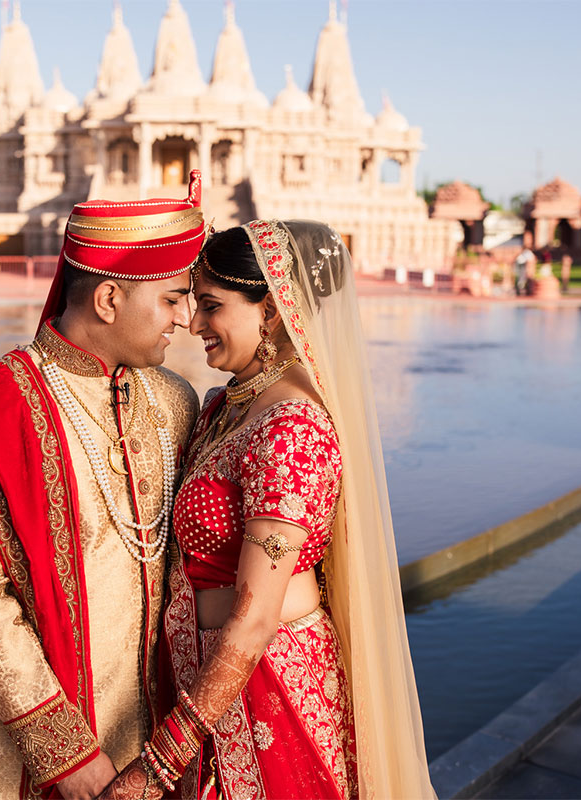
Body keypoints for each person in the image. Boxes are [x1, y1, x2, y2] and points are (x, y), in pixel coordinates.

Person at [98, 219, 434, 799]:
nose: (194, 323)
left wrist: (157, 766)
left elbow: (255, 620)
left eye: (211, 305)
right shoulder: (226, 408)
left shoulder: (291, 428)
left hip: (266, 690)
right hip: (208, 690)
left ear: (272, 311)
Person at [0, 175, 206, 798]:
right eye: (171, 299)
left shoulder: (171, 401)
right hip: (20, 752)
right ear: (108, 300)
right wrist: (66, 753)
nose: (185, 319)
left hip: (148, 749)